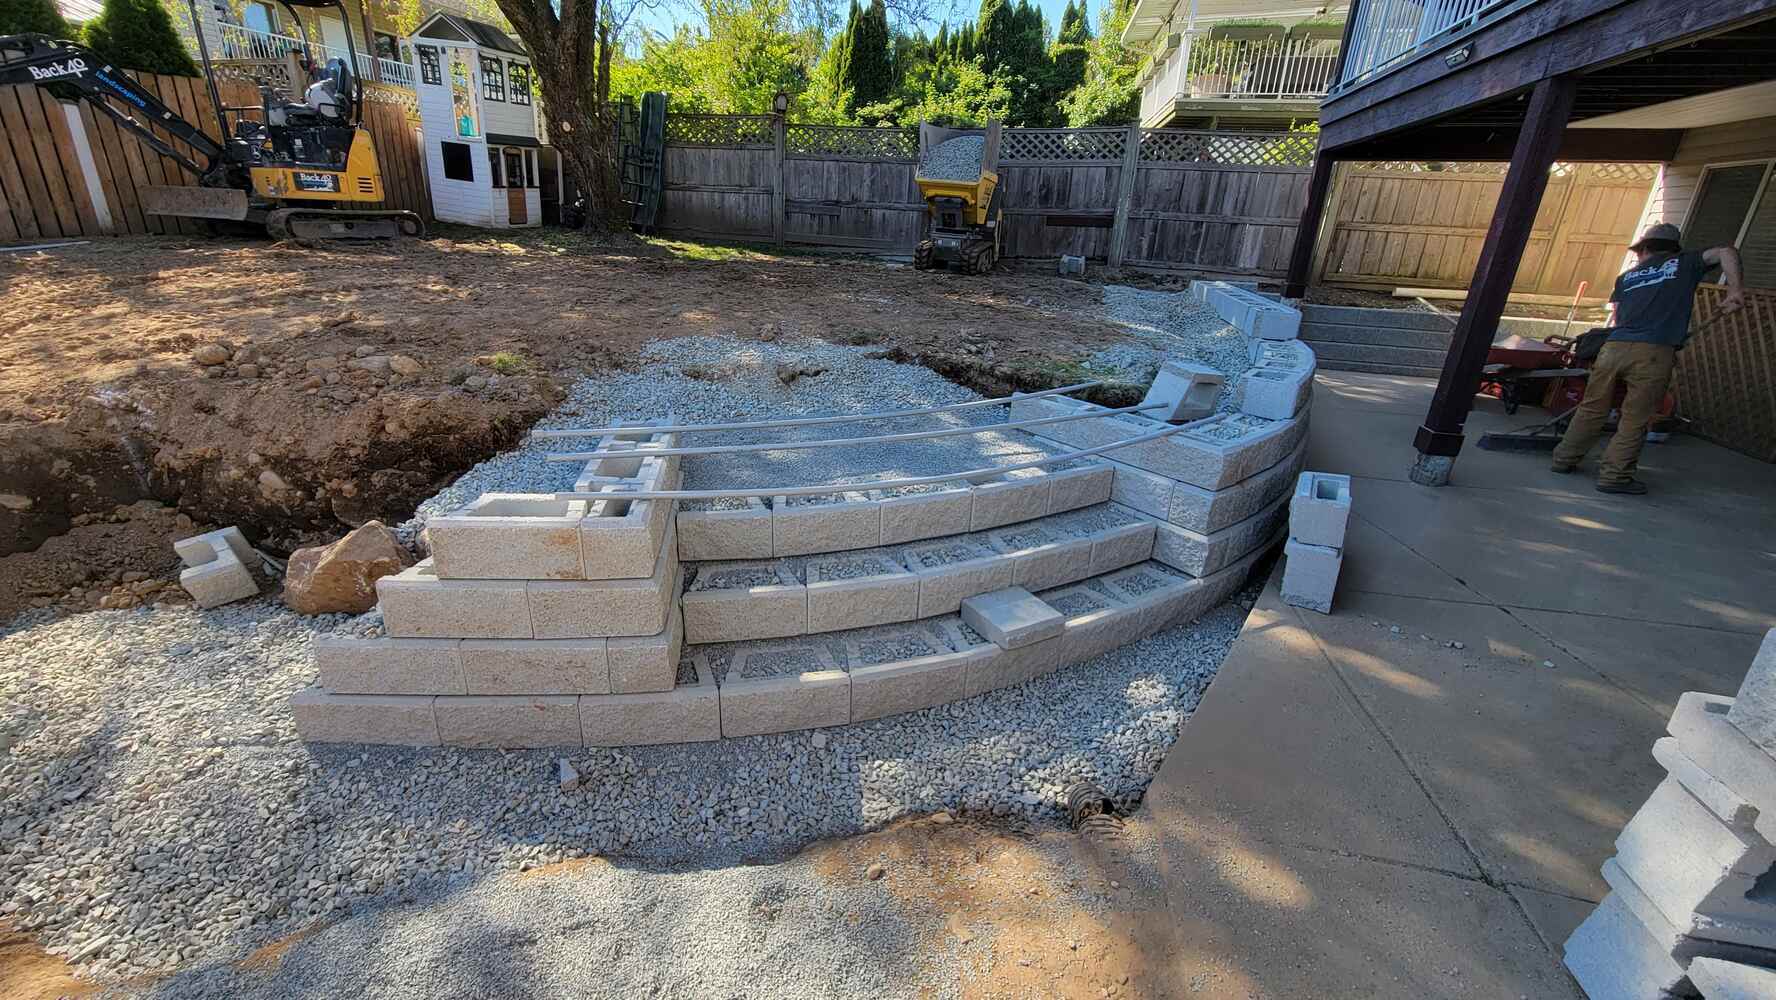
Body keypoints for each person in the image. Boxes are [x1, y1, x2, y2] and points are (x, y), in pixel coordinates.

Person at [1550, 223, 1744, 494]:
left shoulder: (1626, 277)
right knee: (1635, 417)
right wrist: (1735, 290)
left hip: (1613, 347)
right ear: (1673, 248)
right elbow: (1726, 251)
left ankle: (1563, 459)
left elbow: (1620, 318)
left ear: (1644, 249)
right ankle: (1614, 477)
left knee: (1592, 408)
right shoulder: (1685, 263)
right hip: (1652, 352)